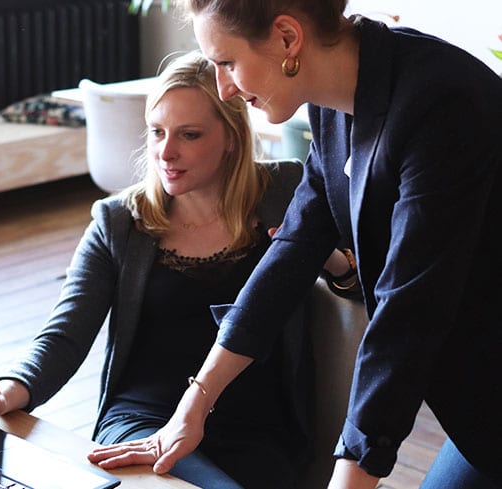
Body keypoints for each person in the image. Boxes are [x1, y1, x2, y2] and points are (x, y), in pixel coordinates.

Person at [87, 1, 502, 488]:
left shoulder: (441, 101)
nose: (223, 87)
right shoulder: (336, 106)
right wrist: (193, 405)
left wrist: (351, 471)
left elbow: (408, 316)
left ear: (287, 38)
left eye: (226, 63)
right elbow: (291, 251)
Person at [0, 50, 316, 488]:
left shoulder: (285, 192)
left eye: (190, 135)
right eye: (157, 132)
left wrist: (333, 259)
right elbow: (63, 336)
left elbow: (359, 281)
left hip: (257, 429)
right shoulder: (120, 222)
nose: (166, 152)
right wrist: (9, 388)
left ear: (232, 137)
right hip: (142, 423)